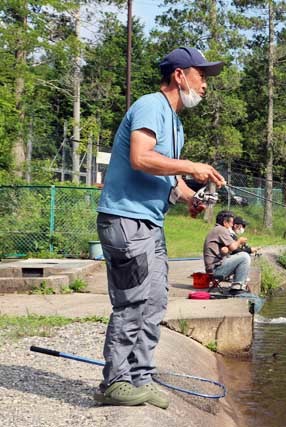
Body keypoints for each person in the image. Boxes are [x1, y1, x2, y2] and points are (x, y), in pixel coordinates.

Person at [95, 47, 226, 409]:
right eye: (202, 76)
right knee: (132, 302)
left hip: (150, 224)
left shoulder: (176, 123)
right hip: (126, 220)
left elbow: (168, 179)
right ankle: (116, 382)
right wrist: (192, 166)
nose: (205, 86)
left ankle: (141, 376)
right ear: (180, 75)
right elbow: (141, 158)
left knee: (154, 302)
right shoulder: (151, 105)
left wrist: (190, 197)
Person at [203, 211, 251, 290]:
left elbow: (228, 249)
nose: (232, 225)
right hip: (215, 270)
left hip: (214, 267)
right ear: (225, 222)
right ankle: (237, 286)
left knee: (241, 255)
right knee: (244, 257)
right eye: (231, 223)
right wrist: (239, 241)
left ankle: (239, 283)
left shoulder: (217, 229)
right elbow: (233, 247)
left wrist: (225, 250)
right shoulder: (221, 230)